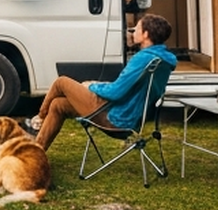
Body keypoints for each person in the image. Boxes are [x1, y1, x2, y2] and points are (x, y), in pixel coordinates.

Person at [24, 13, 175, 149]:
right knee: (58, 105)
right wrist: (98, 85)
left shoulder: (143, 59)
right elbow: (125, 89)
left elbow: (116, 92)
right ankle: (37, 151)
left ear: (146, 34)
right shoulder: (161, 60)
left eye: (137, 28)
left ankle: (37, 120)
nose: (132, 31)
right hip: (130, 116)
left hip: (116, 118)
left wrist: (92, 86)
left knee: (61, 82)